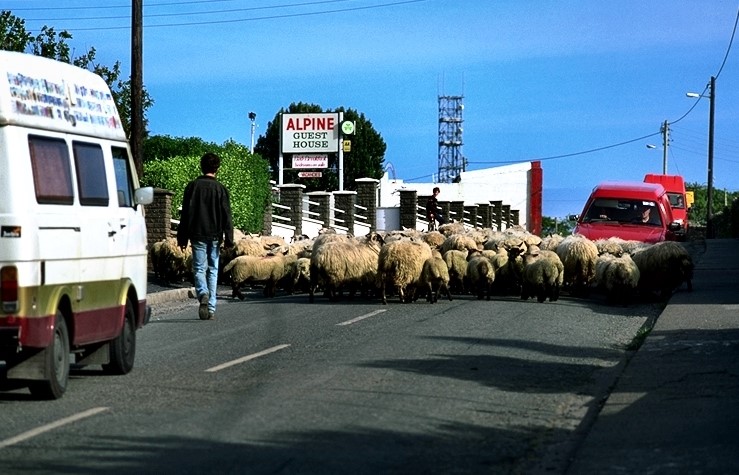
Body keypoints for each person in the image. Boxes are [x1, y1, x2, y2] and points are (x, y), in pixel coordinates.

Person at [177, 152, 234, 320]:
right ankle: (211, 308)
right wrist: (229, 239)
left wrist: (182, 238)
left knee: (199, 268)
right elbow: (227, 216)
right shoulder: (221, 189)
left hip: (197, 234)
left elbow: (185, 214)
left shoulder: (192, 187)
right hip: (215, 235)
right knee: (213, 269)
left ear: (201, 166)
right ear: (217, 168)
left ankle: (202, 292)